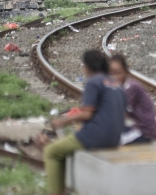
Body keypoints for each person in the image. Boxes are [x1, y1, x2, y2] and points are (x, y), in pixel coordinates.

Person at [43, 50, 126, 195]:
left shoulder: (93, 82)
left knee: (52, 151)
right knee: (63, 150)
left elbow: (87, 114)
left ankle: (56, 192)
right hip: (115, 137)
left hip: (96, 135)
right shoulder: (116, 84)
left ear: (87, 67)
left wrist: (62, 122)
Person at [109, 55, 156, 145]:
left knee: (111, 140)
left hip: (142, 131)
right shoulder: (116, 88)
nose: (115, 77)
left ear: (126, 72)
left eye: (119, 73)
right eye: (111, 73)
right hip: (132, 126)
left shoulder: (131, 88)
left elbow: (121, 115)